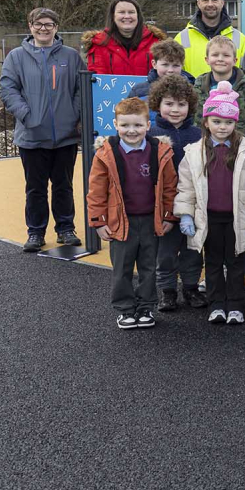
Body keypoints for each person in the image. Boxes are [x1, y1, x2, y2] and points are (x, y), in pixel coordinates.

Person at [174, 81, 245, 326]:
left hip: (237, 217)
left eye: (228, 122)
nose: (222, 127)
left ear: (235, 123)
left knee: (236, 262)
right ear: (206, 122)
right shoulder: (194, 153)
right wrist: (185, 214)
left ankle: (236, 305)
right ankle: (216, 304)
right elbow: (185, 187)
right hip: (209, 218)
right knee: (214, 262)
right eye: (217, 121)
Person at [87, 97, 177, 330]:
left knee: (149, 267)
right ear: (115, 125)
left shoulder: (160, 151)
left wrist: (169, 216)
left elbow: (169, 187)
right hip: (120, 222)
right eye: (125, 125)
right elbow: (96, 191)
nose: (131, 130)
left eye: (137, 125)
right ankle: (126, 309)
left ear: (148, 125)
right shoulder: (105, 154)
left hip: (150, 220)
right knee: (122, 268)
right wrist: (98, 221)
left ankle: (146, 307)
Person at [0, 8, 85, 252]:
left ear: (56, 27)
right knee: (35, 189)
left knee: (63, 185)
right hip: (32, 136)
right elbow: (7, 89)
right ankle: (35, 232)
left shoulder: (71, 55)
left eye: (49, 24)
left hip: (65, 137)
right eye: (39, 24)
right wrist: (27, 115)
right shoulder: (16, 57)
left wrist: (73, 114)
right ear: (30, 26)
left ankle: (66, 228)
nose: (44, 28)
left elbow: (81, 88)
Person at [147, 74, 205, 311]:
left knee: (193, 249)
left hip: (193, 202)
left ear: (190, 106)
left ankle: (191, 288)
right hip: (165, 204)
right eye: (169, 104)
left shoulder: (199, 134)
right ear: (158, 104)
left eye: (181, 104)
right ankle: (167, 291)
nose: (175, 110)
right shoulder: (150, 136)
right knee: (166, 252)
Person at [192, 35, 245, 148]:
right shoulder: (198, 87)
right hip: (208, 150)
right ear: (207, 59)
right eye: (215, 55)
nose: (220, 59)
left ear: (235, 60)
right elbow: (193, 119)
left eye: (226, 55)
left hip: (244, 151)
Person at [176, 0, 245, 77]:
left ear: (222, 2)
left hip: (230, 91)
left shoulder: (240, 39)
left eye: (214, 0)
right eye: (205, 0)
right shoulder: (181, 38)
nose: (210, 4)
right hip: (192, 91)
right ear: (198, 4)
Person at [85, 0, 167, 76]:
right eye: (121, 12)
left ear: (138, 16)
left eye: (131, 12)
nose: (127, 16)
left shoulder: (156, 42)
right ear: (113, 16)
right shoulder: (99, 44)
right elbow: (98, 80)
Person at [128, 39, 194, 102]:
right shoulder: (139, 91)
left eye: (175, 65)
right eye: (165, 65)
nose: (170, 70)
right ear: (154, 64)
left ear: (182, 65)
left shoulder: (192, 89)